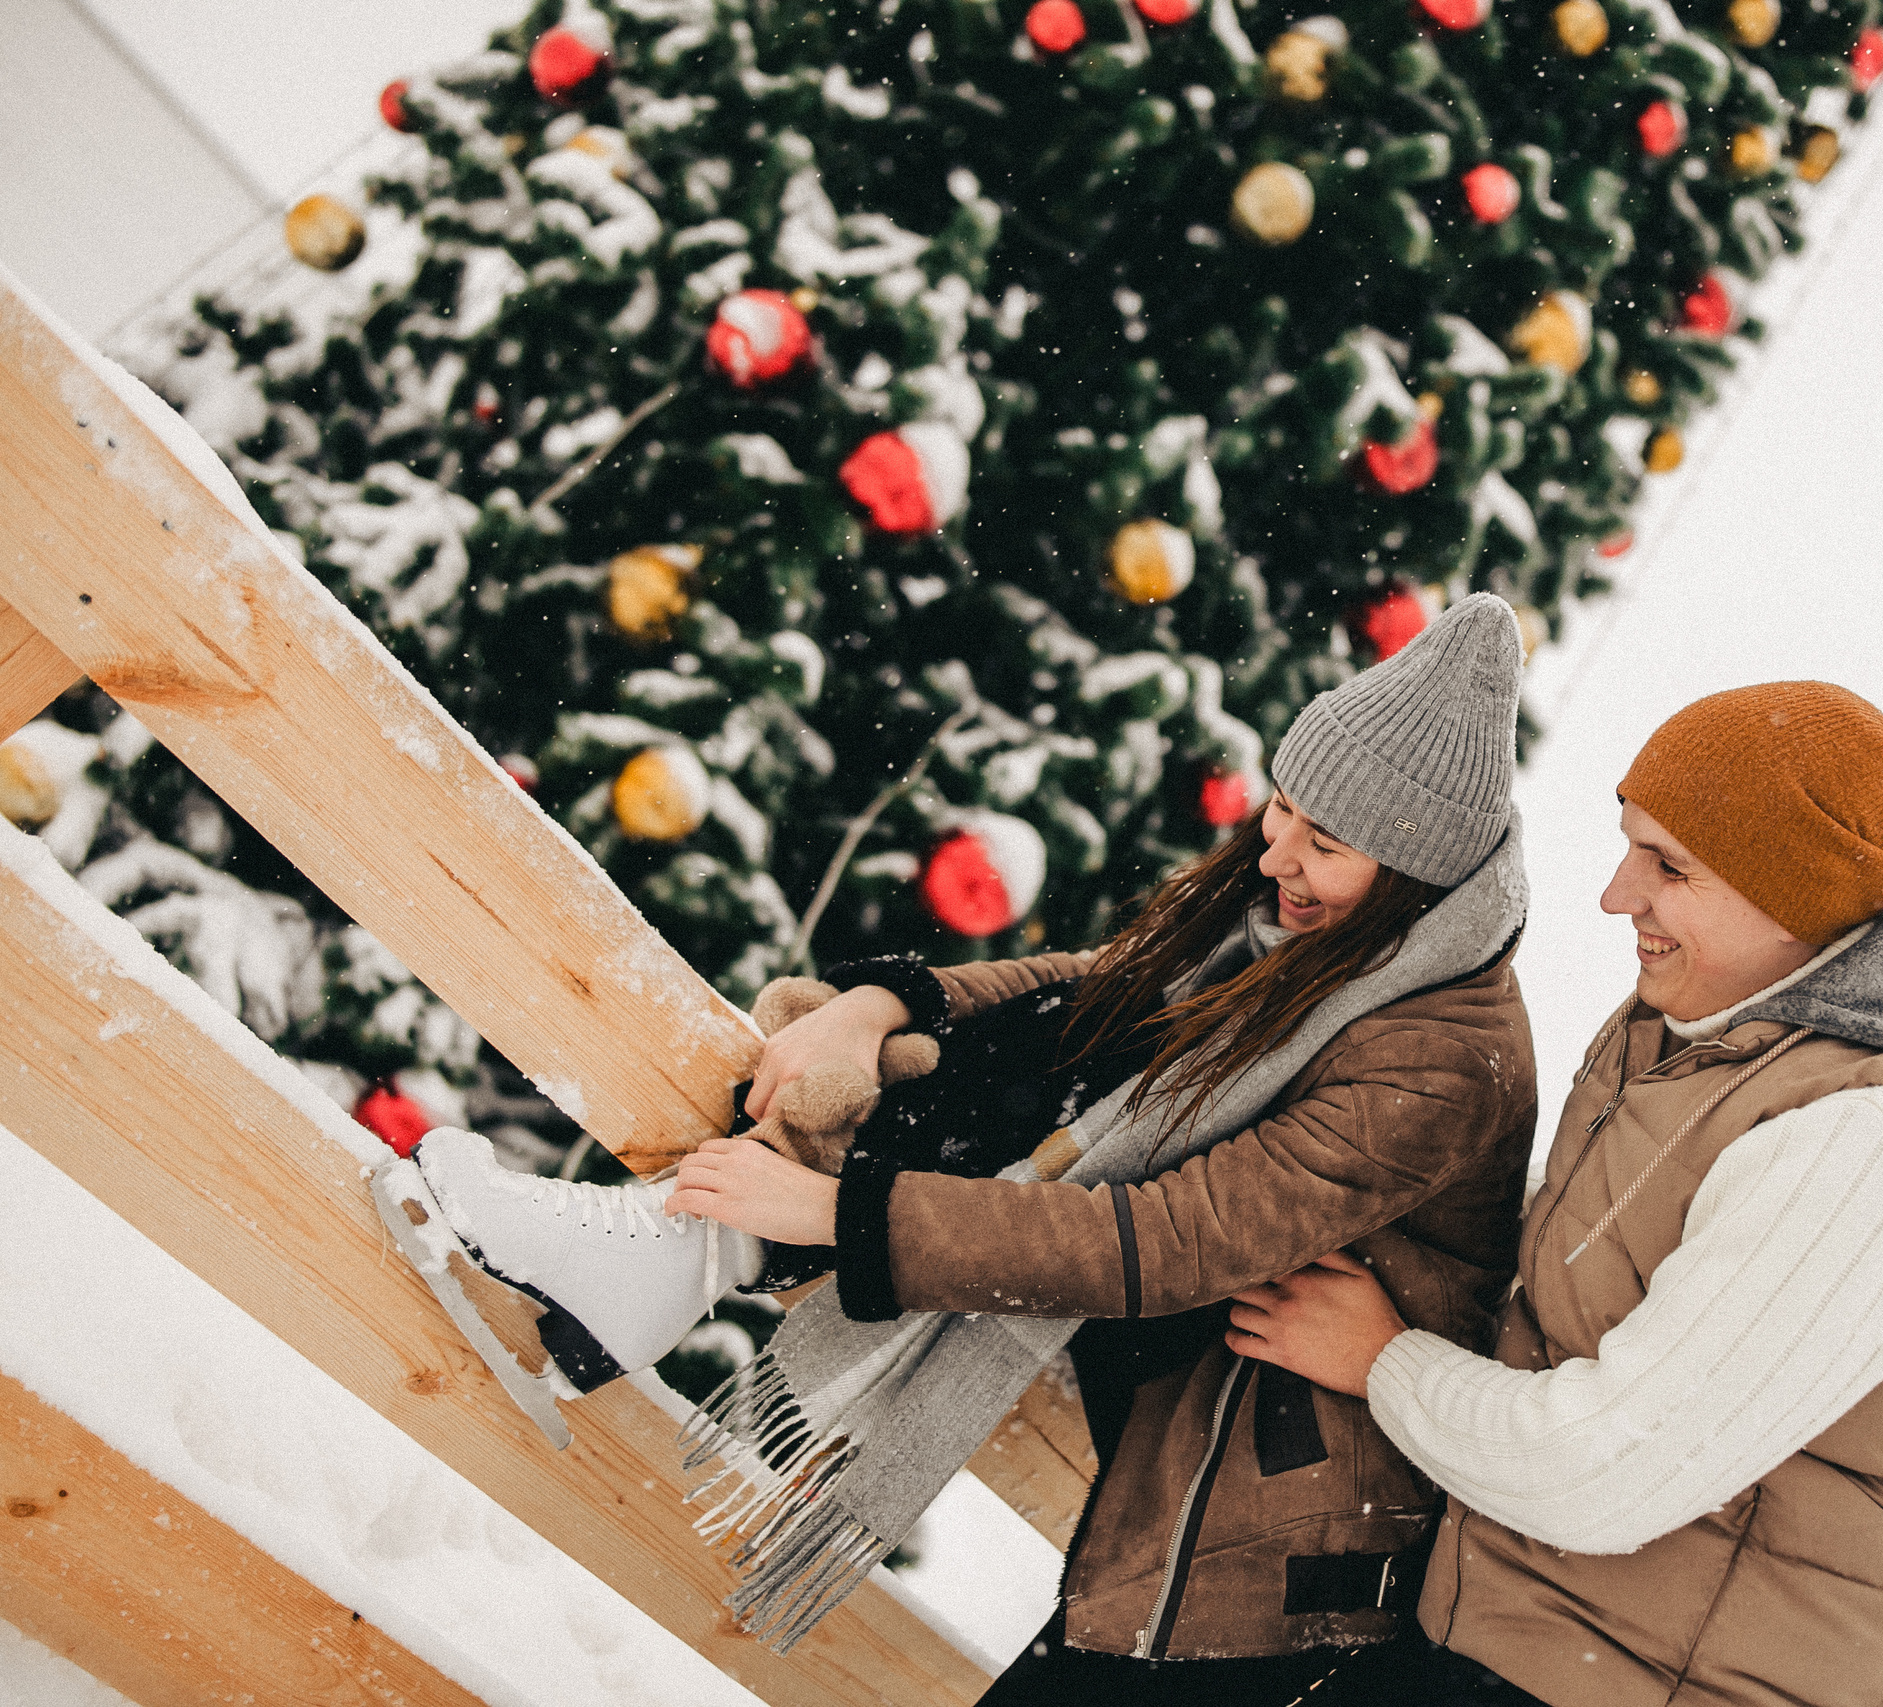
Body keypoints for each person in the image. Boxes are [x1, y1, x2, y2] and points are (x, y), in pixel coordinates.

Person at [418, 592, 1540, 1699]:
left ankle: (676, 1260)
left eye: (1323, 842)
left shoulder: (1439, 1061)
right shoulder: (1320, 944)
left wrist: (840, 1216)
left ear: (1412, 879)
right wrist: (890, 1009)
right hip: (1199, 1415)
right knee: (1060, 1047)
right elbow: (1100, 992)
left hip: (1279, 1543)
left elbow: (1168, 1239)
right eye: (1282, 809)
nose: (1272, 855)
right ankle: (675, 1255)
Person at [1226, 681, 1883, 1707]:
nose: (1617, 895)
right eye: (1630, 845)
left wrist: (1385, 1362)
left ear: (1790, 901)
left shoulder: (1877, 1151)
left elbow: (1600, 1470)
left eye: (1668, 867)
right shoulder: (1692, 1041)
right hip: (1507, 1645)